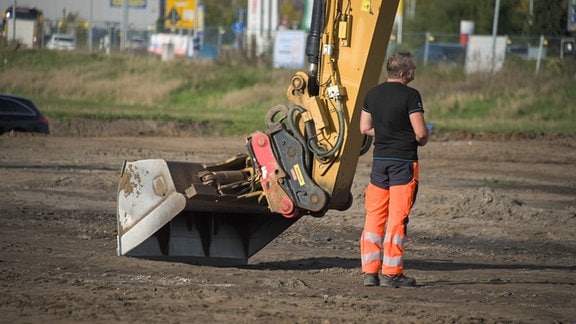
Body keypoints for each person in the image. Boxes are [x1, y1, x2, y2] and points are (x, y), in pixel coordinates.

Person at [359, 52, 429, 288]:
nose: (415, 71)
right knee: (397, 218)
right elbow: (420, 133)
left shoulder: (372, 94)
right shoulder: (411, 96)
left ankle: (370, 272)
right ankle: (392, 273)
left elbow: (364, 127)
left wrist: (387, 133)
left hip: (379, 163)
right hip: (403, 163)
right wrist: (419, 138)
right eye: (413, 69)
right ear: (404, 73)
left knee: (375, 216)